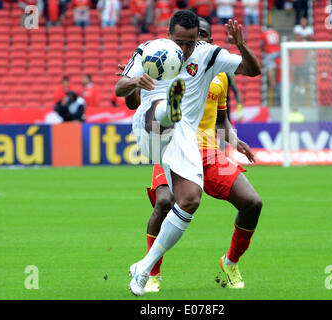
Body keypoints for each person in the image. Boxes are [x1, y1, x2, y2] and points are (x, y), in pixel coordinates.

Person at [115, 9, 261, 296]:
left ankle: (143, 269)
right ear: (169, 35)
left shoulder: (209, 56)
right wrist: (135, 82)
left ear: (200, 39)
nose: (184, 49)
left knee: (191, 200)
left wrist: (241, 45)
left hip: (188, 139)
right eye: (179, 42)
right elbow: (121, 87)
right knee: (162, 121)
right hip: (151, 130)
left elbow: (252, 71)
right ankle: (170, 106)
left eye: (190, 43)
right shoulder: (150, 50)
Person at [260, 24, 280, 89]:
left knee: (270, 69)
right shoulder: (276, 33)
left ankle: (272, 84)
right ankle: (276, 81)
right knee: (275, 67)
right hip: (277, 52)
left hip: (270, 52)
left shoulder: (264, 33)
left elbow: (261, 44)